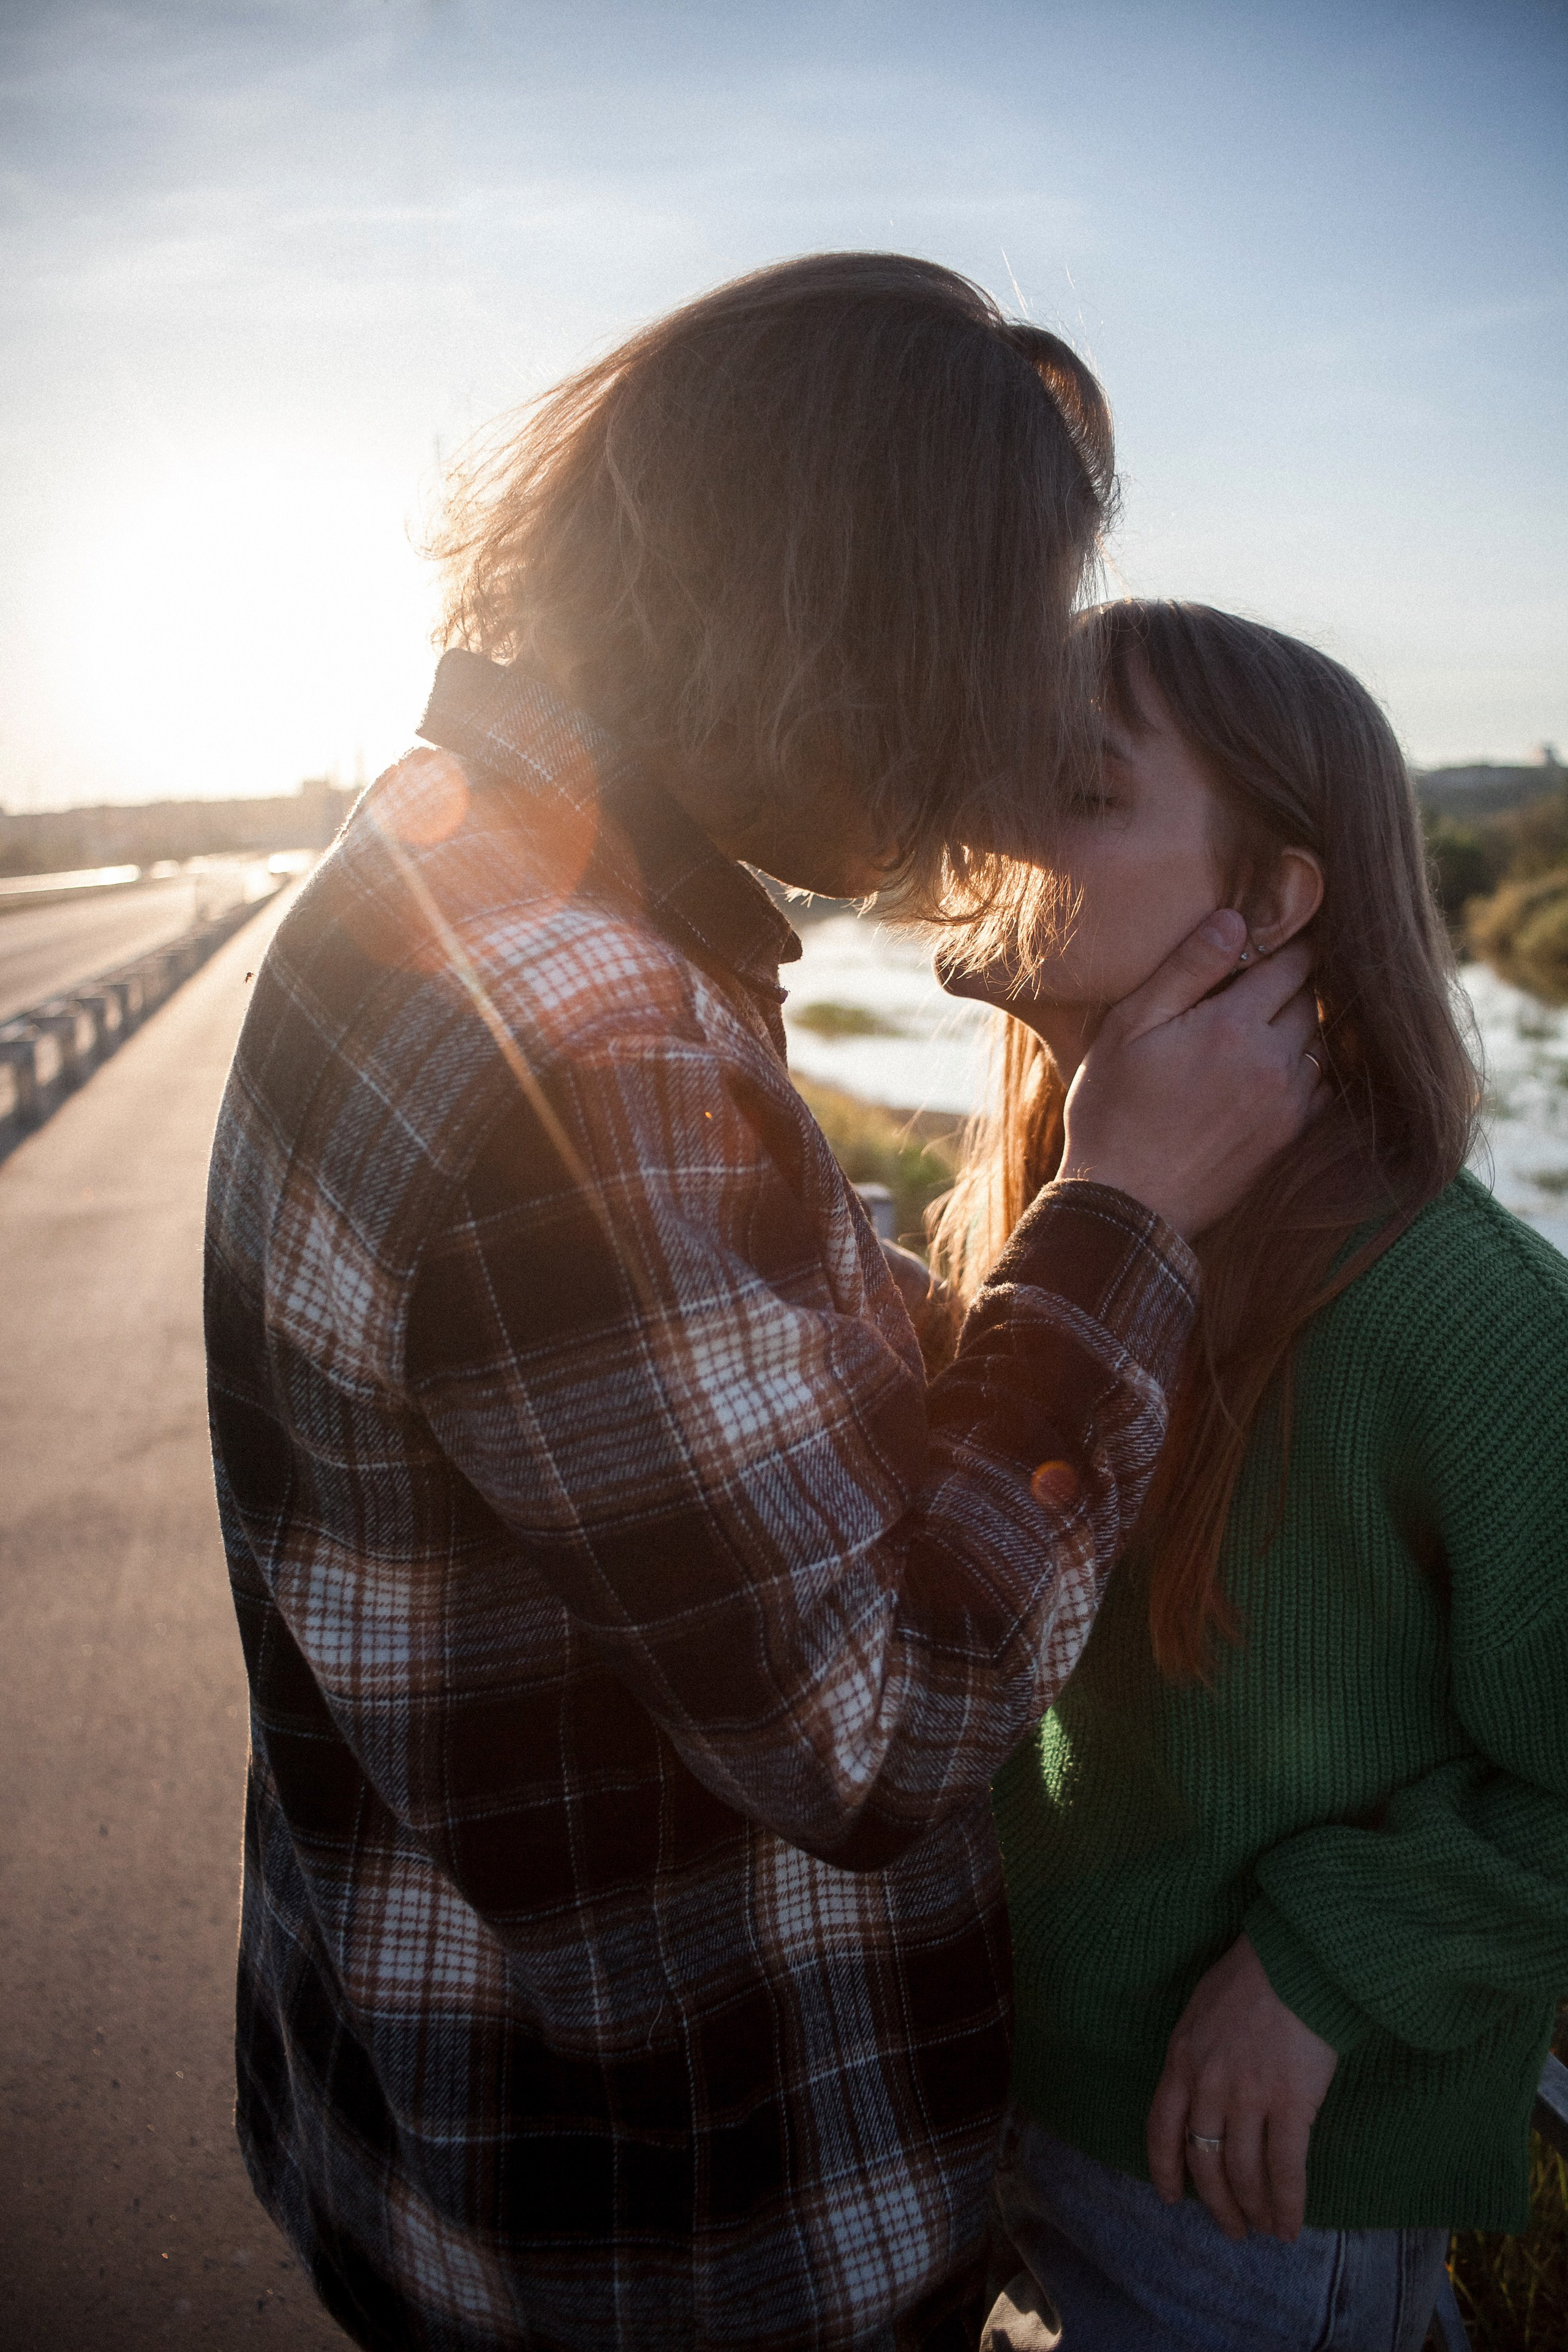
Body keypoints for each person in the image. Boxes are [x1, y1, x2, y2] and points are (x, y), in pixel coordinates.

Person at [205, 261, 1320, 2351]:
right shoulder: (590, 1031)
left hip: (441, 2120)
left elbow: (689, 1410)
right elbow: (874, 1728)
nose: (987, 773)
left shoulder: (447, 865)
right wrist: (1127, 1216)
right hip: (670, 2221)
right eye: (984, 669)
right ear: (840, 626)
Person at [934, 600, 1568, 2352]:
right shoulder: (1050, 1243)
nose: (980, 807)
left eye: (1072, 786)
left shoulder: (1459, 1318)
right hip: (1005, 2127)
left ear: (1275, 904)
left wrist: (1325, 1965)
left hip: (1247, 2201)